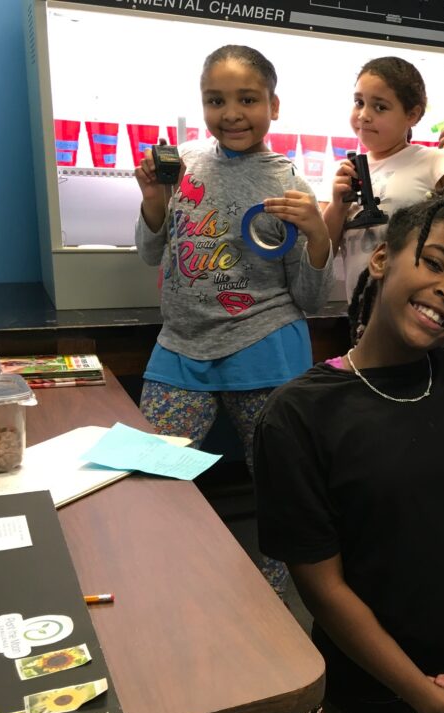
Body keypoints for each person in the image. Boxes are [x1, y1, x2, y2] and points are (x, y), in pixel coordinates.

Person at [255, 166, 444, 713]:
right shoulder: (300, 415)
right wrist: (422, 696)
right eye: (433, 263)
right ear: (382, 258)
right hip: (373, 691)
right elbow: (323, 591)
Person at [134, 45, 333, 593]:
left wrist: (317, 232)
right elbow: (153, 252)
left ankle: (273, 595)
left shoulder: (288, 183)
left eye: (247, 99)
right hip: (180, 346)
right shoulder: (186, 166)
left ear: (273, 104)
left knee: (276, 482)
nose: (232, 113)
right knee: (150, 473)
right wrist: (153, 199)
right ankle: (158, 582)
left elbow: (311, 298)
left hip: (263, 346)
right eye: (215, 100)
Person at [322, 56, 444, 303]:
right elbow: (322, 254)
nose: (364, 115)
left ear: (413, 115)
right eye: (359, 102)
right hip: (362, 321)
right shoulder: (347, 173)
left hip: (417, 315)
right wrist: (337, 206)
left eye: (380, 107)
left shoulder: (434, 163)